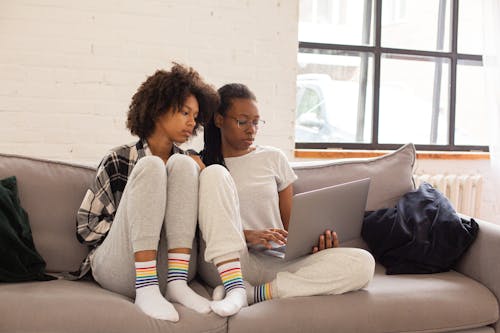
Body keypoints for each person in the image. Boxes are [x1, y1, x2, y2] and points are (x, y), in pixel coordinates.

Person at [75, 64, 243, 321]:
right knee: (152, 166)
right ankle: (146, 288)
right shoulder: (118, 159)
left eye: (195, 116)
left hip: (173, 268)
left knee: (184, 164)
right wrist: (140, 222)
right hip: (122, 266)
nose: (191, 122)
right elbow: (86, 228)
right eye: (185, 112)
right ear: (158, 109)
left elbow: (206, 230)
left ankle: (176, 286)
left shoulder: (189, 164)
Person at [197, 83, 375, 306]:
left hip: (275, 259)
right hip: (233, 261)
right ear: (219, 119)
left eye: (256, 122)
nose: (251, 129)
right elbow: (202, 230)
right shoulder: (203, 165)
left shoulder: (273, 158)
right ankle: (238, 286)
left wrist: (315, 242)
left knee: (363, 263)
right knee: (215, 178)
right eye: (242, 122)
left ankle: (257, 294)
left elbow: (291, 227)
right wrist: (246, 236)